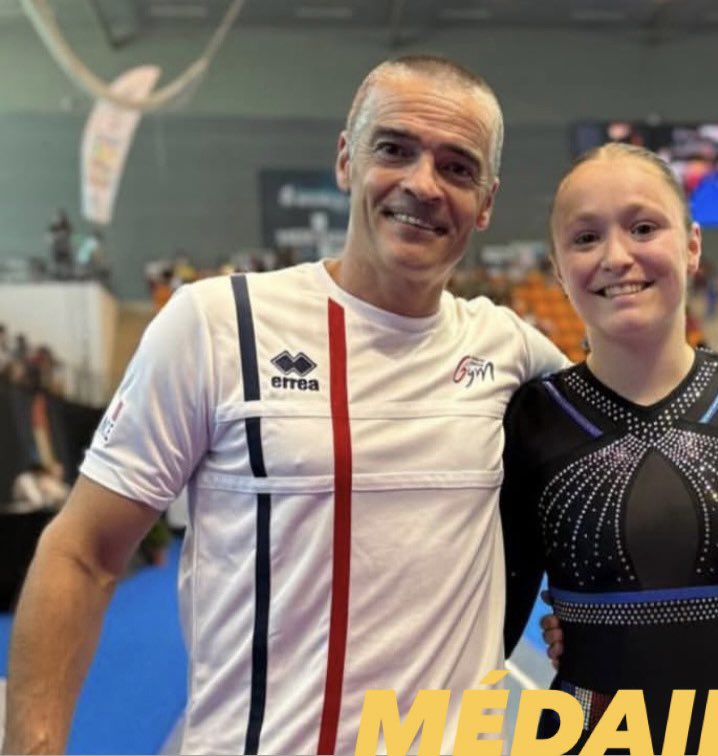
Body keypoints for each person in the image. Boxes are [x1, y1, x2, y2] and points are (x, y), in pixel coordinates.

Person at [3, 55, 568, 755]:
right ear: (345, 161)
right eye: (394, 150)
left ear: (485, 202)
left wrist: (597, 606)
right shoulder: (217, 325)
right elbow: (82, 551)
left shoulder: (510, 348)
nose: (422, 185)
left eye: (457, 168)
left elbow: (635, 438)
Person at [500, 143, 718, 753]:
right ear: (558, 269)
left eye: (644, 227)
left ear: (692, 245)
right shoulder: (530, 419)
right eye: (585, 239)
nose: (617, 256)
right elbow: (482, 628)